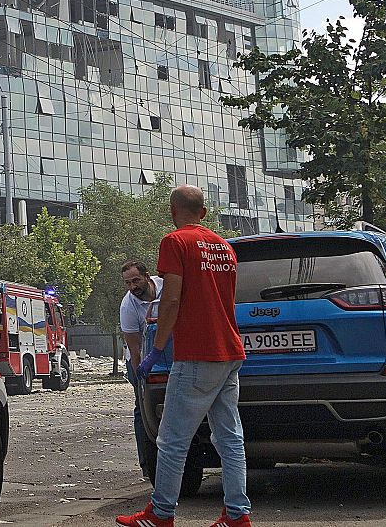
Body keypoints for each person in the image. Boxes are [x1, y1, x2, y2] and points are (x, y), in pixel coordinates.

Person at [119, 186, 250, 527]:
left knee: (172, 439)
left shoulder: (174, 242)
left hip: (196, 353)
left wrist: (157, 349)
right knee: (229, 437)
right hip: (229, 351)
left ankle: (161, 514)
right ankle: (237, 514)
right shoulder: (224, 248)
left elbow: (171, 300)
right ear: (204, 213)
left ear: (173, 211)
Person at [119, 260, 163, 478]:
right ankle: (147, 464)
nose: (132, 287)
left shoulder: (166, 287)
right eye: (127, 283)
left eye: (135, 280)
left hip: (170, 353)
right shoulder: (128, 306)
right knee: (143, 407)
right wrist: (141, 379)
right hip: (142, 357)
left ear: (148, 276)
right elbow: (134, 348)